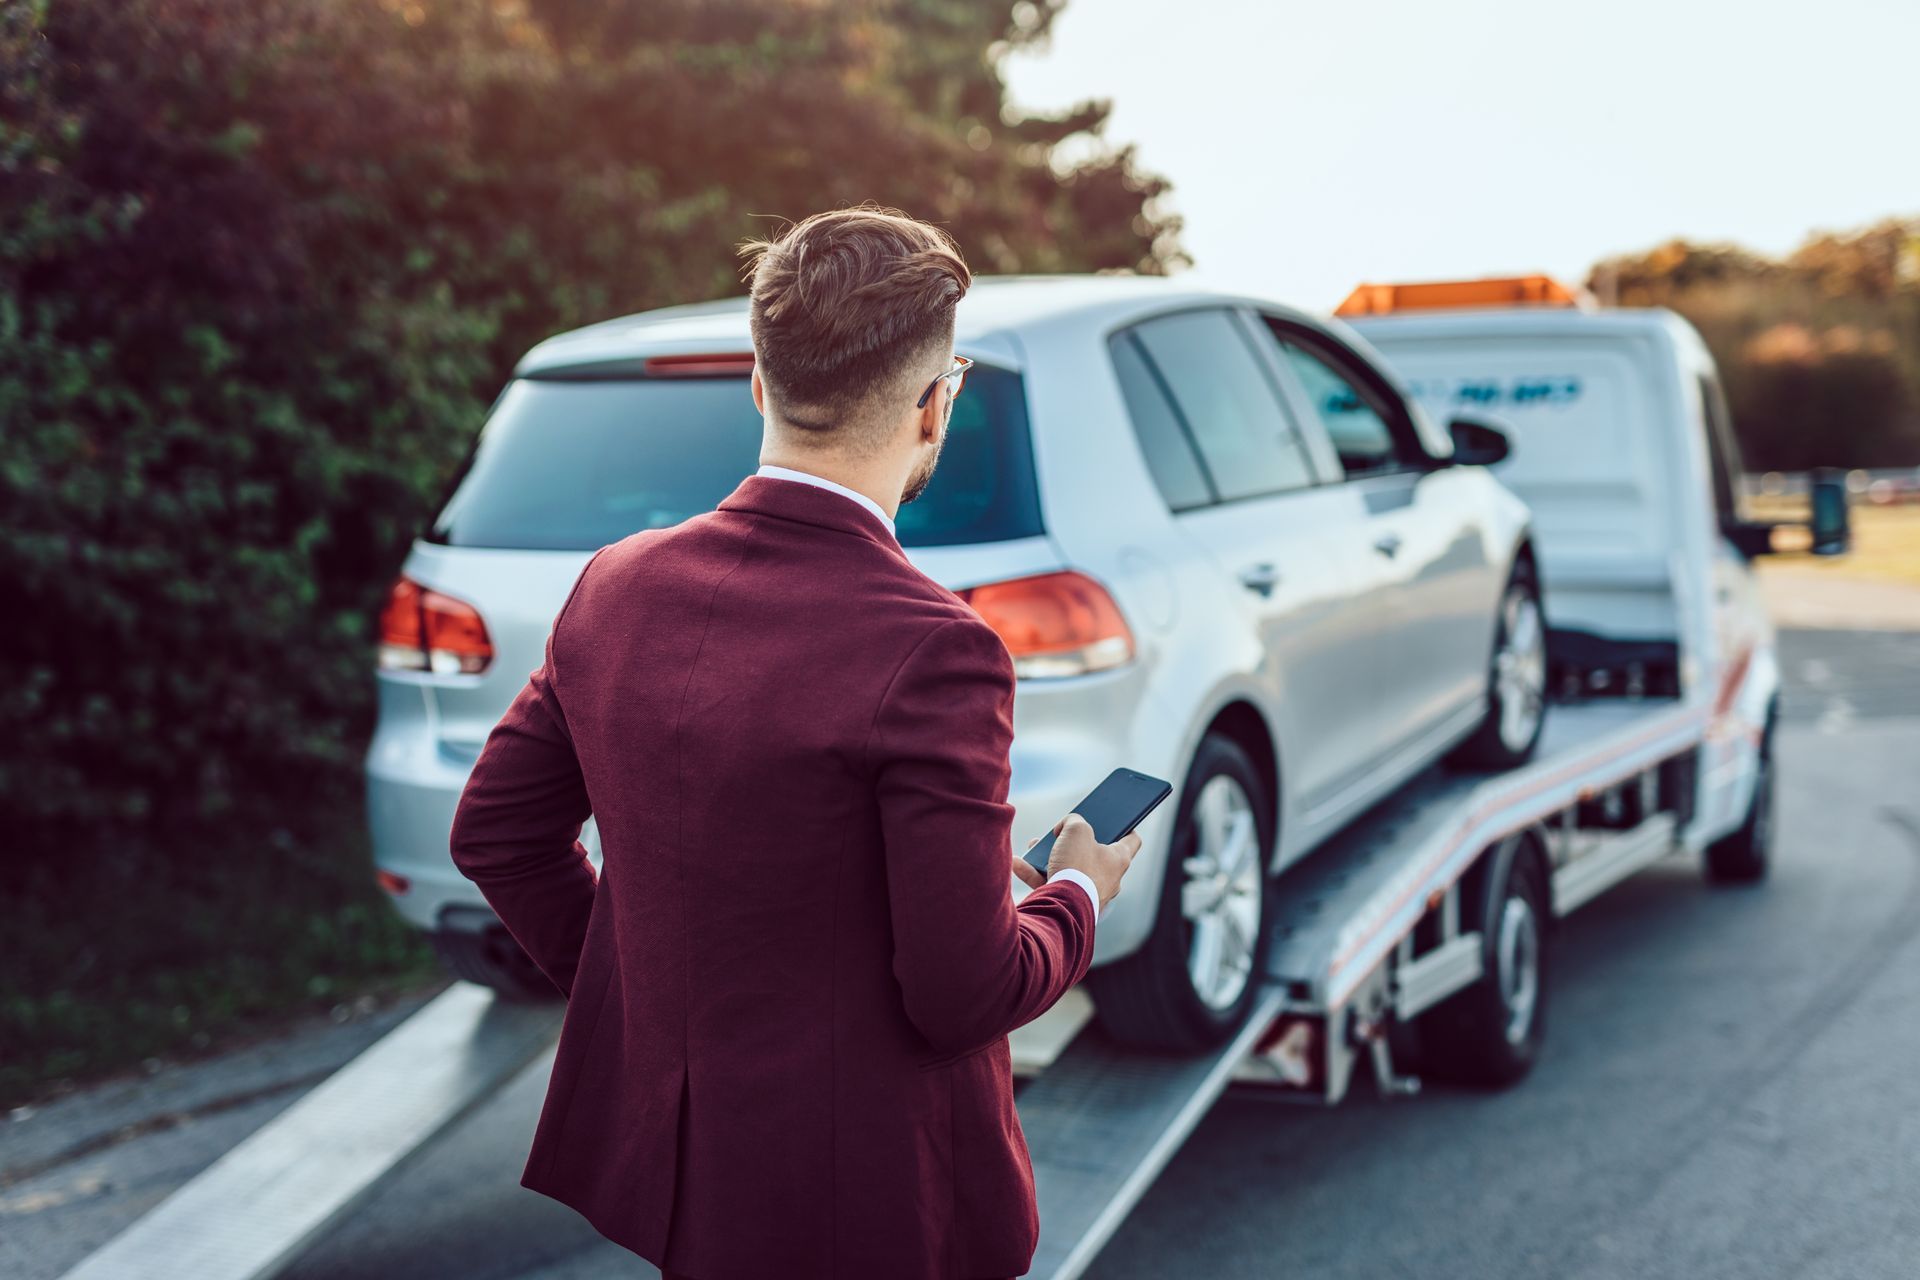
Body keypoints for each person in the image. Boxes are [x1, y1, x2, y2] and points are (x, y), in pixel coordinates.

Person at [448, 203, 1140, 1280]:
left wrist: (653, 1000)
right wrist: (1079, 893)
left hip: (691, 1183)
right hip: (869, 1207)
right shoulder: (938, 650)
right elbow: (963, 991)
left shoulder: (614, 585)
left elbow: (496, 834)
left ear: (761, 384)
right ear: (933, 407)